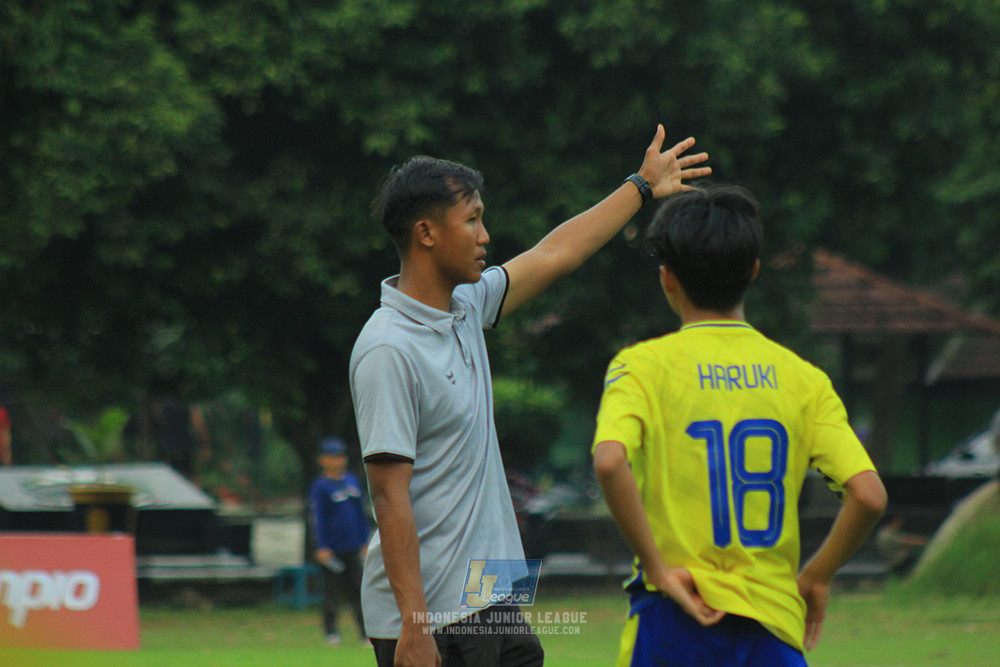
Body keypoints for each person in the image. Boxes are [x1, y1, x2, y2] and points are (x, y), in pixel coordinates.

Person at [350, 125, 711, 667]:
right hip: (434, 618)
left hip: (492, 598)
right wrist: (413, 625)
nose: (485, 235)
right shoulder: (387, 348)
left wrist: (640, 186)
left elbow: (556, 253)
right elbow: (387, 496)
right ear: (426, 233)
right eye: (472, 219)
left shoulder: (464, 308)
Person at [591, 185, 888, 666]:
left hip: (673, 618)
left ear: (668, 278)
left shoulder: (640, 367)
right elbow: (869, 496)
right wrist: (816, 576)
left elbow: (609, 461)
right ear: (753, 269)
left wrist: (658, 569)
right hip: (770, 626)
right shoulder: (804, 379)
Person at [308, 436, 371, 645]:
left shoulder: (352, 482)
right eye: (332, 456)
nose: (337, 460)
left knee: (358, 591)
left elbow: (361, 514)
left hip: (353, 546)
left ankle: (365, 632)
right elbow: (317, 518)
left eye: (340, 456)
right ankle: (331, 632)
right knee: (330, 593)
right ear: (322, 460)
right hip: (332, 549)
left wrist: (365, 541)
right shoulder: (320, 487)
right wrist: (321, 546)